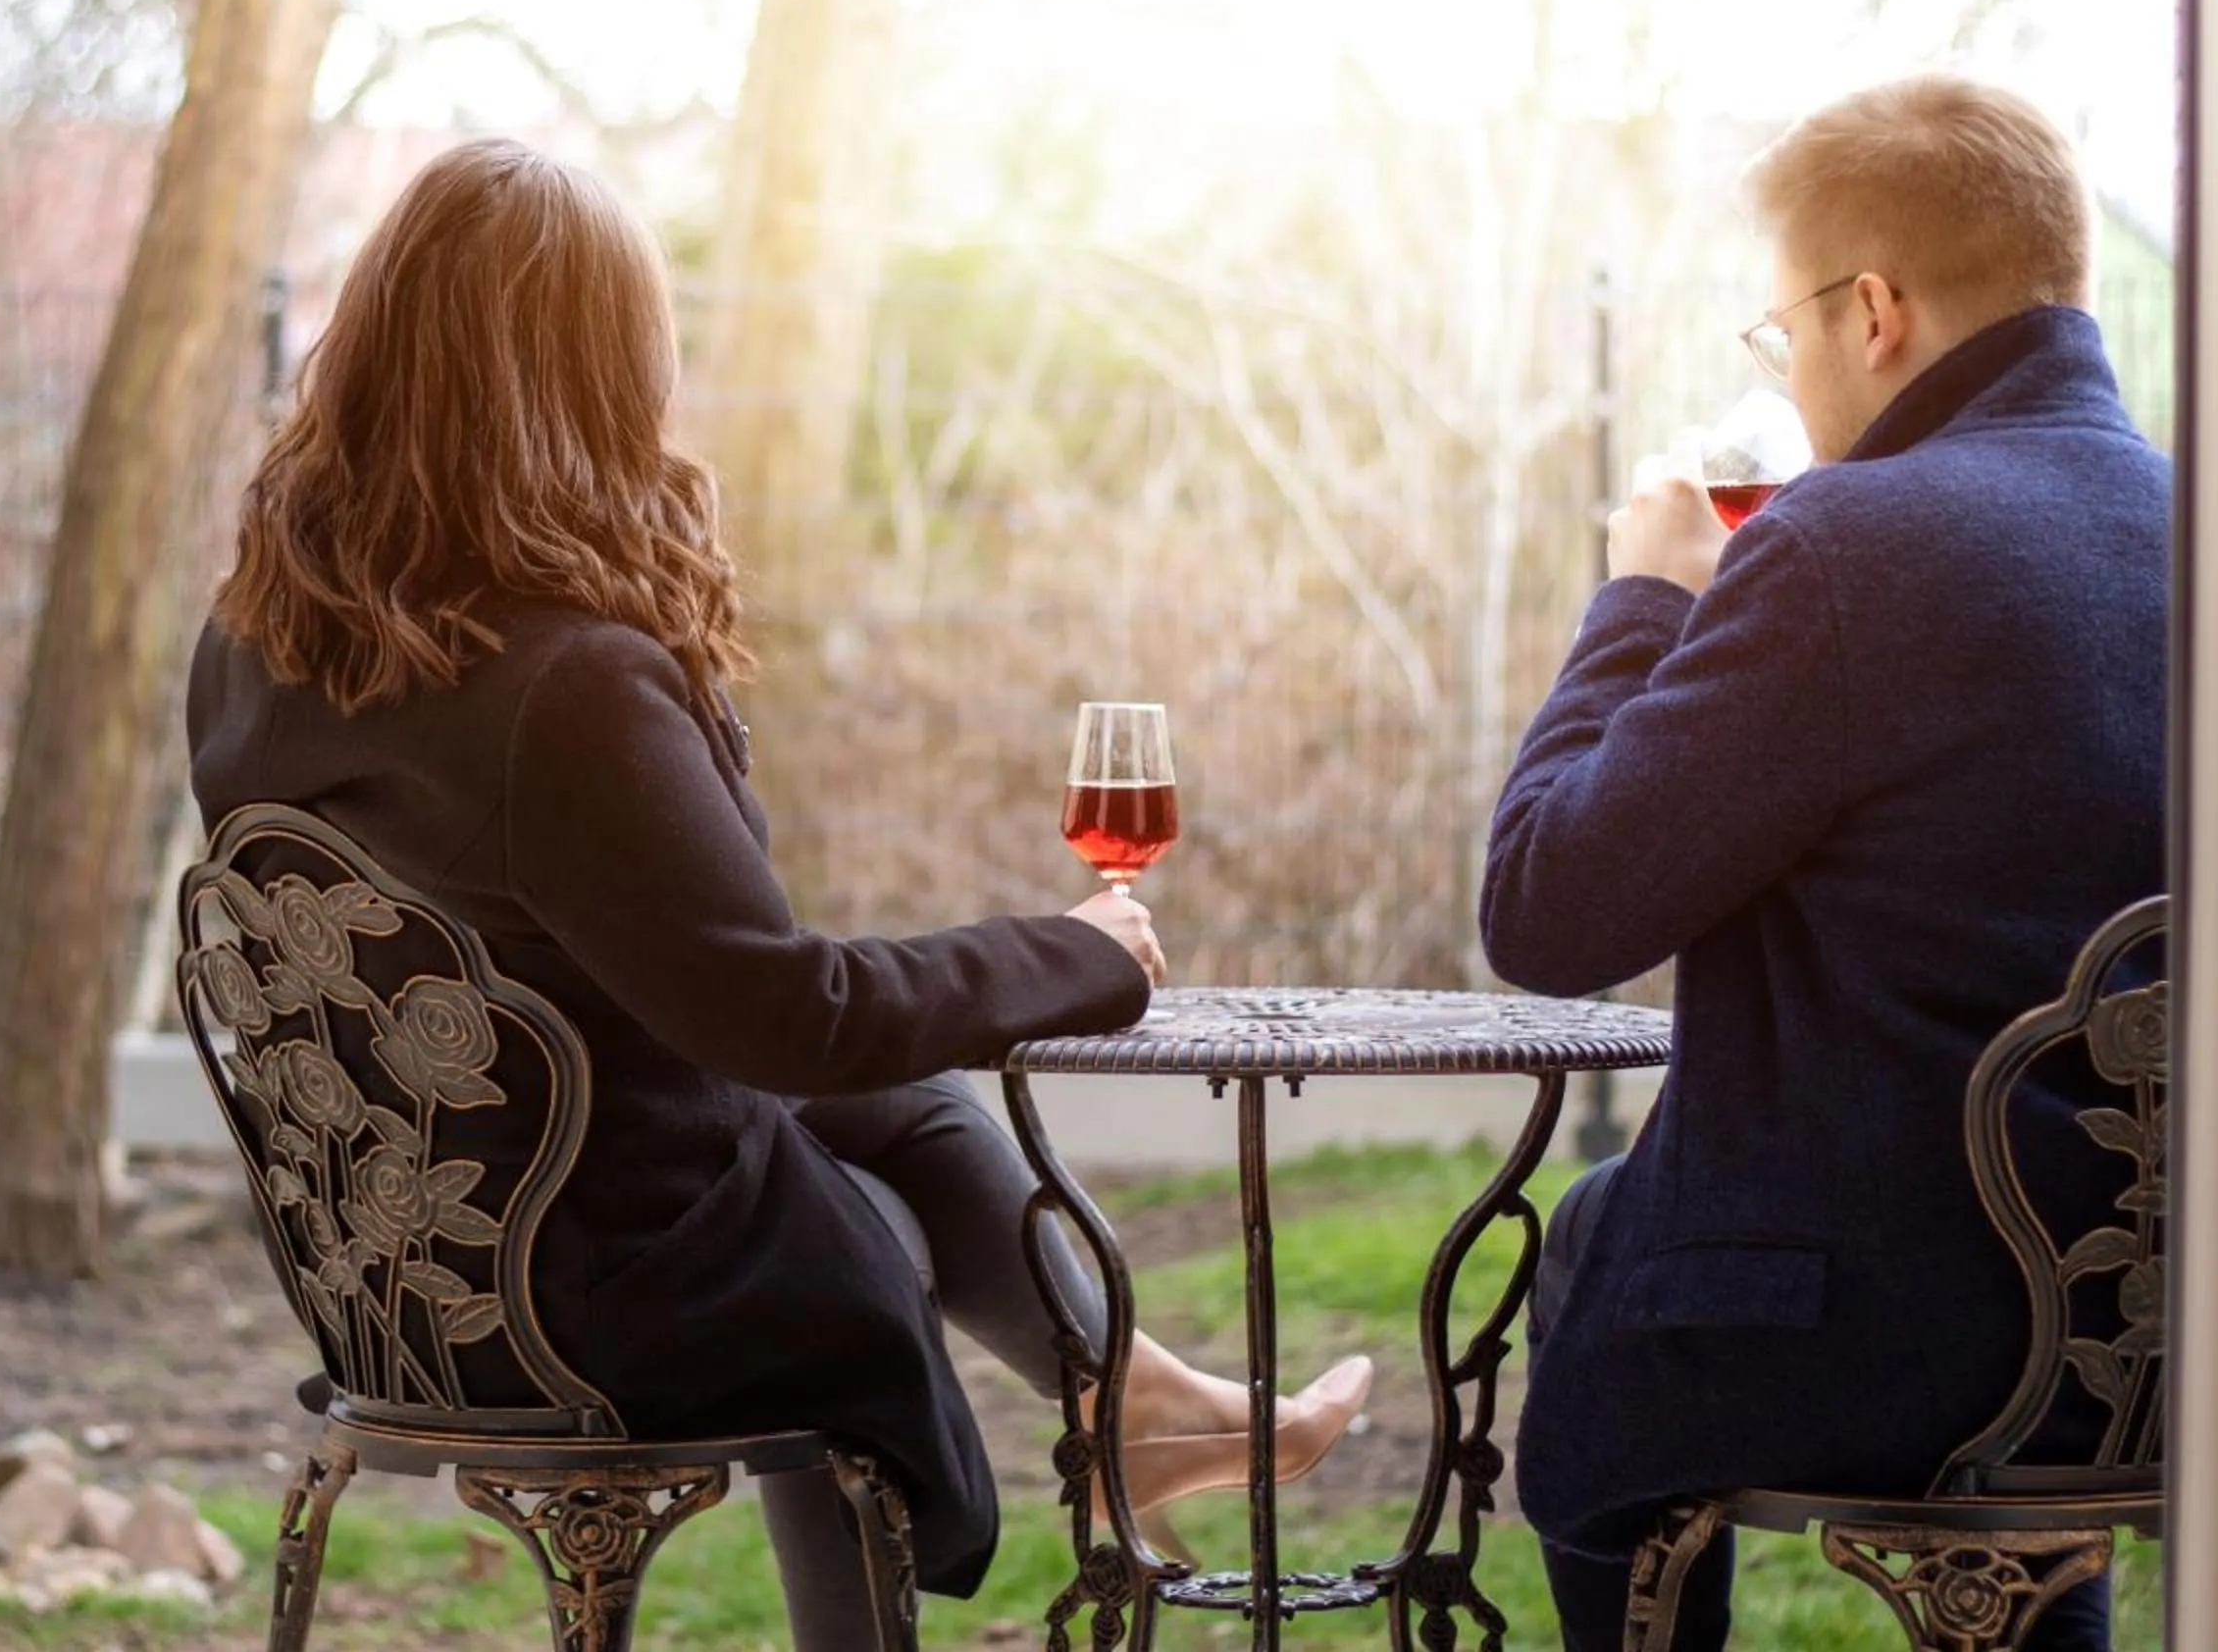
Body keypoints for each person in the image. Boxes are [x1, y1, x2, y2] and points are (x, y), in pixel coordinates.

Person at [186, 138, 1370, 1647]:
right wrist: (1080, 954)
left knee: (902, 1110)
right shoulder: (567, 683)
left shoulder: (257, 643)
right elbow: (788, 1016)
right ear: (603, 379)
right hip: (583, 1297)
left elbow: (670, 998)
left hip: (403, 1276)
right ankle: (1114, 1422)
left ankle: (1135, 1399)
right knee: (864, 1223)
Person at [1478, 76, 2168, 1652]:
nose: (1787, 371)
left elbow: (1547, 911)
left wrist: (1644, 603)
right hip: (2171, 1331)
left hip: (1874, 1342)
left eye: (1781, 329)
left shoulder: (1846, 542)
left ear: (1873, 311)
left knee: (1590, 1242)